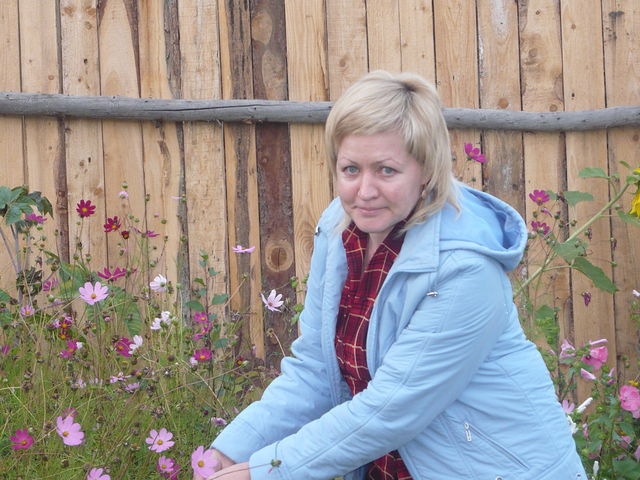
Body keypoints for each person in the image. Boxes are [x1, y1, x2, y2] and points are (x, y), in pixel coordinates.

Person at [195, 70, 587, 480]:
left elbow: (389, 411)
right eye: (350, 169)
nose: (364, 191)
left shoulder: (465, 269)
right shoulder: (339, 230)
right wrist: (231, 450)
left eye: (386, 170)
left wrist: (263, 471)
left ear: (427, 171)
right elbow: (316, 372)